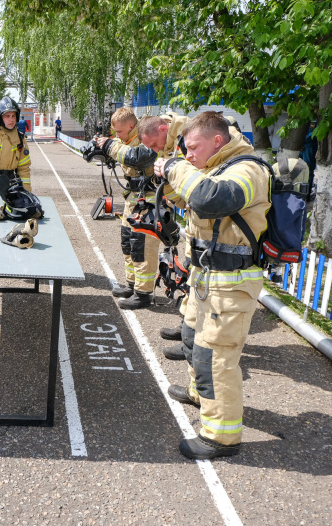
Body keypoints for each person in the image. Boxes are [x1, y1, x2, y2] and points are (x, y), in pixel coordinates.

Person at [153, 111, 270, 460]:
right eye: (184, 151)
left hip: (231, 283)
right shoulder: (214, 167)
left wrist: (175, 167)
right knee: (191, 340)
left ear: (217, 141)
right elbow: (195, 205)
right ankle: (199, 395)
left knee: (214, 359)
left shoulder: (248, 169)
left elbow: (211, 199)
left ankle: (221, 437)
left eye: (192, 147)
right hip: (207, 278)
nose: (187, 155)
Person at [136, 112, 191, 353]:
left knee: (197, 280)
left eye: (156, 144)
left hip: (213, 222)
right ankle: (188, 327)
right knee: (190, 275)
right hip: (194, 216)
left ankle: (194, 341)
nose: (156, 150)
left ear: (162, 129)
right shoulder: (168, 143)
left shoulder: (189, 136)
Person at [95, 108, 159, 309]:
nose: (116, 136)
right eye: (114, 133)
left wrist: (109, 145)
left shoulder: (146, 138)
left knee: (142, 246)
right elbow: (122, 155)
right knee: (128, 242)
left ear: (132, 126)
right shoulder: (125, 141)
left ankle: (143, 293)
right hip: (133, 198)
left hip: (148, 199)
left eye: (120, 132)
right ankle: (132, 285)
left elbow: (135, 158)